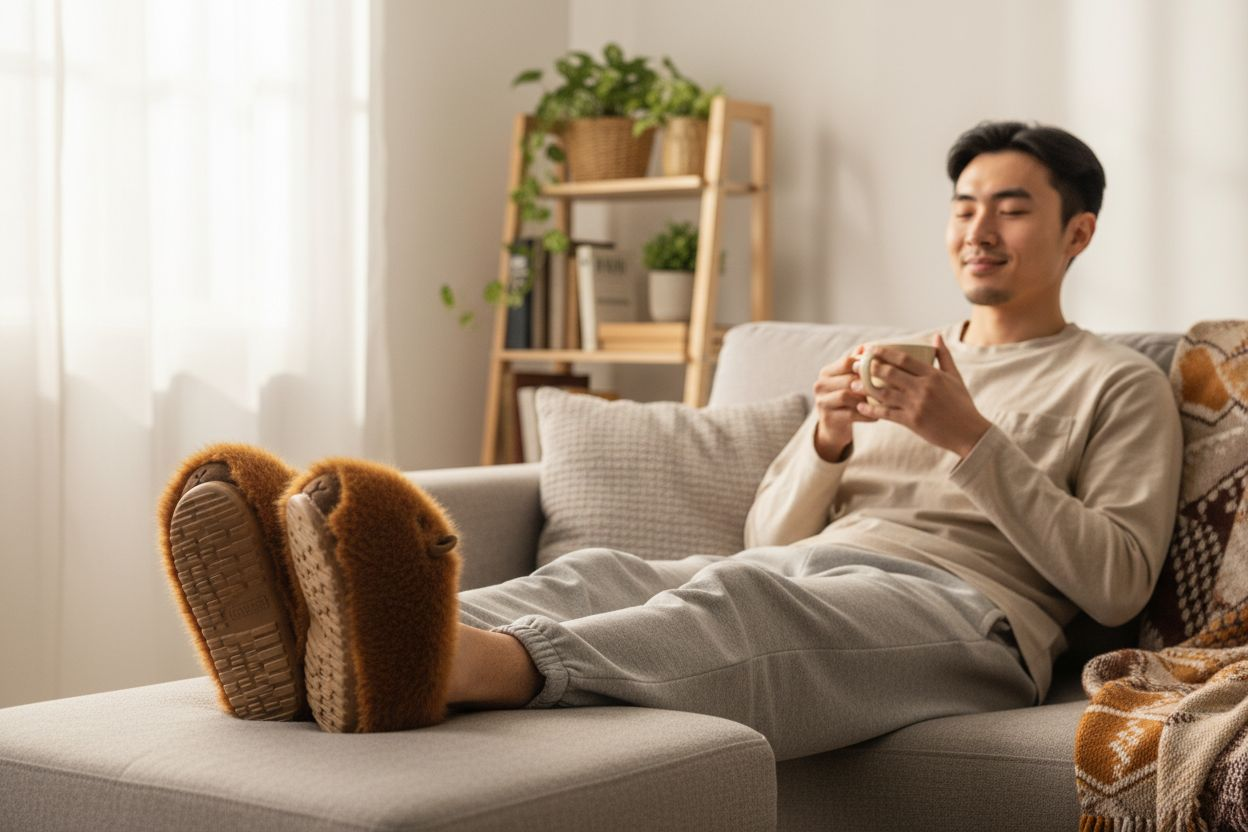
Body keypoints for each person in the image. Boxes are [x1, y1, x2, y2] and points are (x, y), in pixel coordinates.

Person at [159, 121, 1182, 760]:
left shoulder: (1118, 382)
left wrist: (967, 438)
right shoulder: (899, 357)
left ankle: (444, 663)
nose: (977, 229)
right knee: (603, 570)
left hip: (971, 619)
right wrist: (824, 440)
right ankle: (314, 634)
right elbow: (761, 534)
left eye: (1011, 208)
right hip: (809, 566)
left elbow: (1114, 585)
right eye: (963, 207)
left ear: (1077, 234)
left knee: (736, 603)